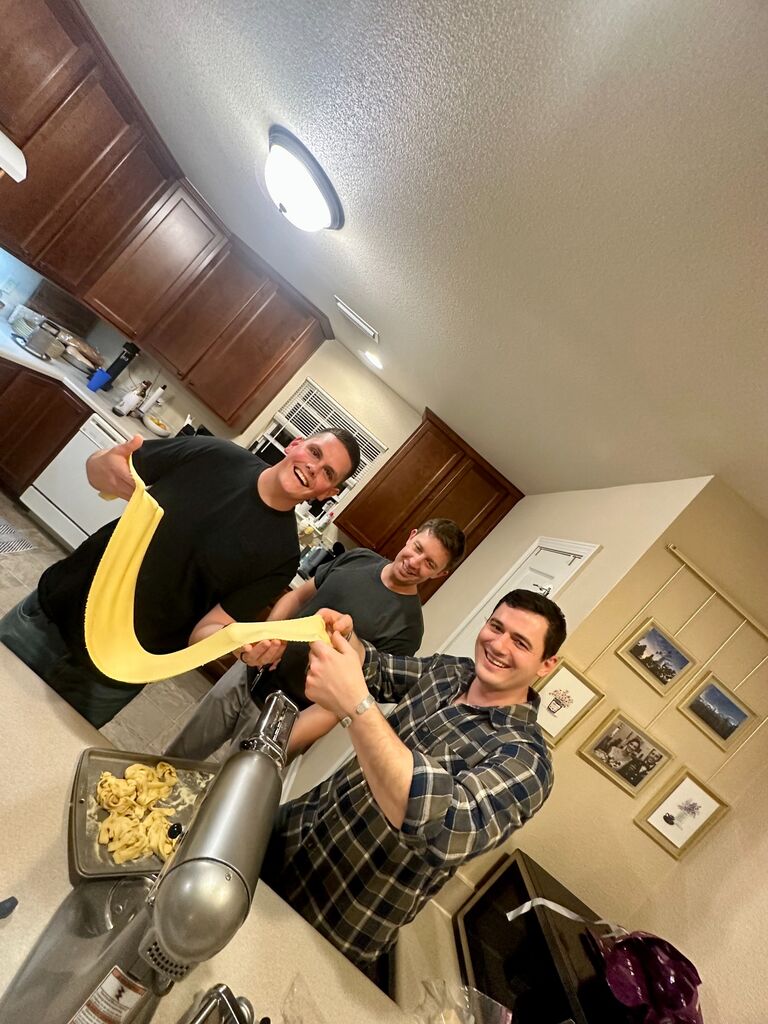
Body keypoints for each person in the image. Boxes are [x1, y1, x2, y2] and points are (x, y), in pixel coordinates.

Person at [259, 588, 566, 971]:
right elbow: (378, 670)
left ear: (546, 664)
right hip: (290, 834)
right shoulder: (451, 672)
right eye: (496, 626)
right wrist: (345, 636)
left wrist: (356, 706)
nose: (498, 645)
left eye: (520, 642)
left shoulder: (527, 760)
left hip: (341, 911)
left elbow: (445, 828)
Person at [0, 429, 360, 727]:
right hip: (50, 615)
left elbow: (207, 629)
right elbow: (102, 467)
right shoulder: (213, 455)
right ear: (295, 445)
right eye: (314, 452)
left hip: (113, 675)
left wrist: (240, 646)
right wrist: (104, 466)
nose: (313, 468)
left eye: (328, 473)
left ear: (327, 494)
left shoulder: (280, 557)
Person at [164, 518, 466, 760]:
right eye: (417, 548)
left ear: (440, 574)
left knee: (221, 795)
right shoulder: (359, 558)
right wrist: (267, 636)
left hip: (286, 716)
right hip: (245, 676)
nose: (415, 562)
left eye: (429, 563)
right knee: (177, 757)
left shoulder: (409, 629)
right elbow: (297, 597)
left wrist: (283, 740)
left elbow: (343, 700)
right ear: (411, 535)